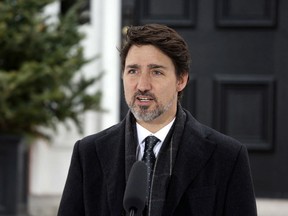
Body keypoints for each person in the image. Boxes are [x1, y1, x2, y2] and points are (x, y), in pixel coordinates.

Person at [58, 23, 257, 216]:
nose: (142, 85)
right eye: (133, 71)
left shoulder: (227, 157)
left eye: (156, 72)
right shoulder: (88, 154)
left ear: (181, 80)